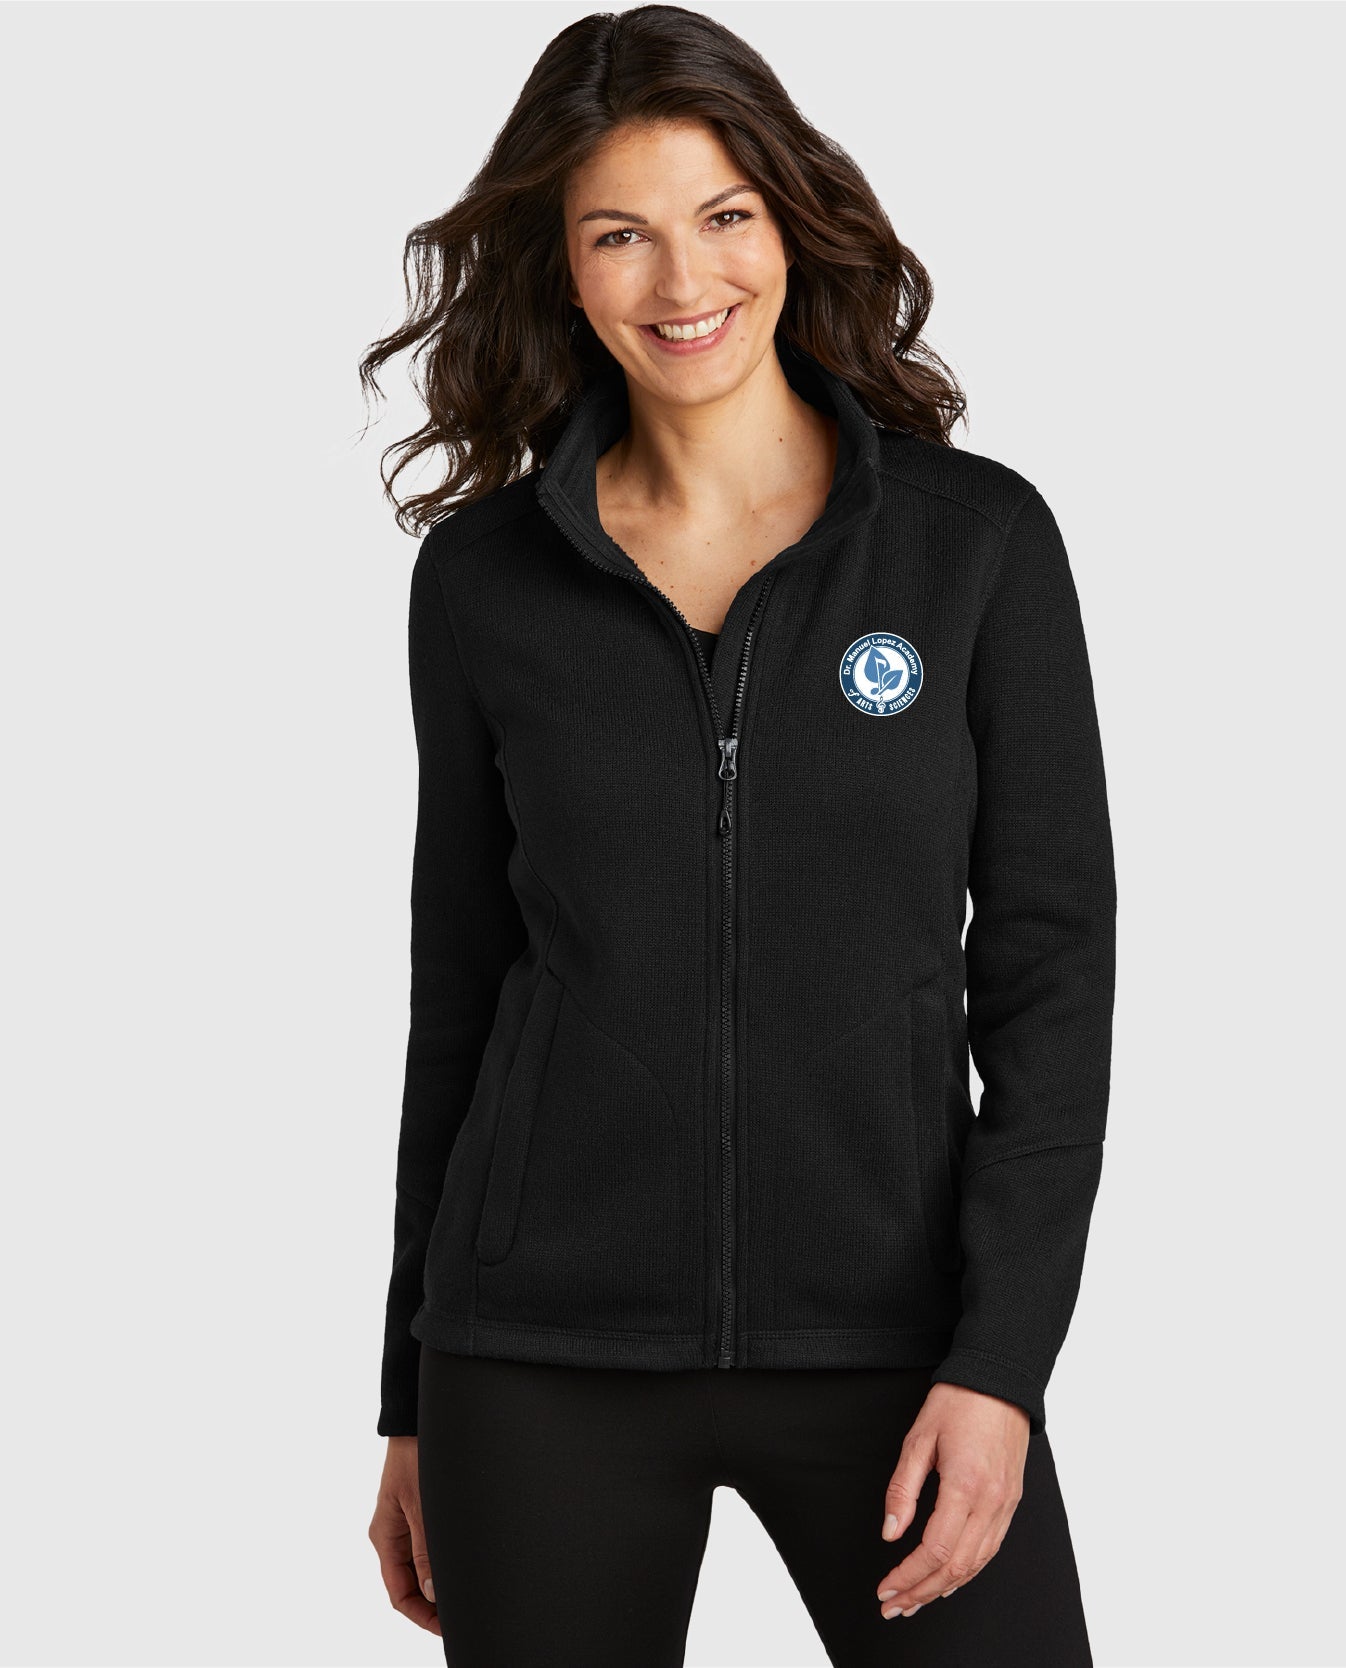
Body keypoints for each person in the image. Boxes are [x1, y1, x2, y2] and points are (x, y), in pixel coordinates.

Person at [359, 8, 1116, 1664]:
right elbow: (460, 996)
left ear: (791, 222)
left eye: (723, 215)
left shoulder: (972, 546)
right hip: (539, 1358)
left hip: (898, 1346)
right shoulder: (485, 582)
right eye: (618, 233)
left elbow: (1052, 982)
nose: (680, 278)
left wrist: (1001, 1364)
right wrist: (410, 1395)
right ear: (563, 268)